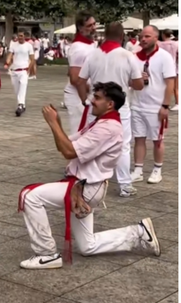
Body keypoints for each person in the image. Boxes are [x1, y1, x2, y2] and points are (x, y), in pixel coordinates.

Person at [18, 82, 160, 269]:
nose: (92, 101)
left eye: (98, 98)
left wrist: (53, 122)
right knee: (87, 246)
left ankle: (47, 254)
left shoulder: (108, 128)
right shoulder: (102, 123)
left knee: (30, 196)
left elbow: (69, 152)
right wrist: (57, 123)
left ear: (110, 104)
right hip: (85, 185)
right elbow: (67, 145)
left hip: (87, 188)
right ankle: (139, 233)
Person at [77, 22, 143, 198]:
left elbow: (80, 80)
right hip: (119, 106)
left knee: (92, 143)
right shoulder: (128, 55)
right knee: (123, 145)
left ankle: (86, 179)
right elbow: (138, 85)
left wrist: (85, 100)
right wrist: (134, 79)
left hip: (97, 105)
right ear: (122, 37)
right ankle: (124, 184)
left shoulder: (93, 55)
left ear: (105, 35)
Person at [130, 25, 176, 185]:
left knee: (157, 140)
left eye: (147, 36)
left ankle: (157, 169)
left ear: (156, 38)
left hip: (155, 106)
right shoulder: (135, 57)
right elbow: (129, 81)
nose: (143, 39)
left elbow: (170, 82)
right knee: (139, 138)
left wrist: (165, 105)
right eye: (142, 36)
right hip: (137, 104)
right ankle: (138, 169)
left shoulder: (164, 57)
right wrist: (136, 80)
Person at [63, 11, 98, 134]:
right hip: (78, 96)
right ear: (80, 28)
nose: (94, 28)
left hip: (87, 94)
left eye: (94, 24)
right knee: (78, 133)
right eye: (89, 26)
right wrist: (85, 99)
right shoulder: (78, 47)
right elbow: (75, 78)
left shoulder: (90, 44)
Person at [4, 30, 34, 117]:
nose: (20, 37)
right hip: (14, 70)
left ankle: (20, 105)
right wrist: (7, 63)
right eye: (19, 36)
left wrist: (30, 68)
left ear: (25, 36)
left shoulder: (28, 46)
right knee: (17, 89)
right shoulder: (14, 45)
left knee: (23, 85)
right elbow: (10, 55)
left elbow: (32, 58)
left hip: (24, 69)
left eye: (21, 36)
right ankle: (22, 105)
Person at [158, 29, 178, 110]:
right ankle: (176, 103)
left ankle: (163, 102)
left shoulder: (160, 44)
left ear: (163, 35)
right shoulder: (176, 44)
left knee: (162, 86)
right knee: (174, 87)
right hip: (173, 67)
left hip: (162, 67)